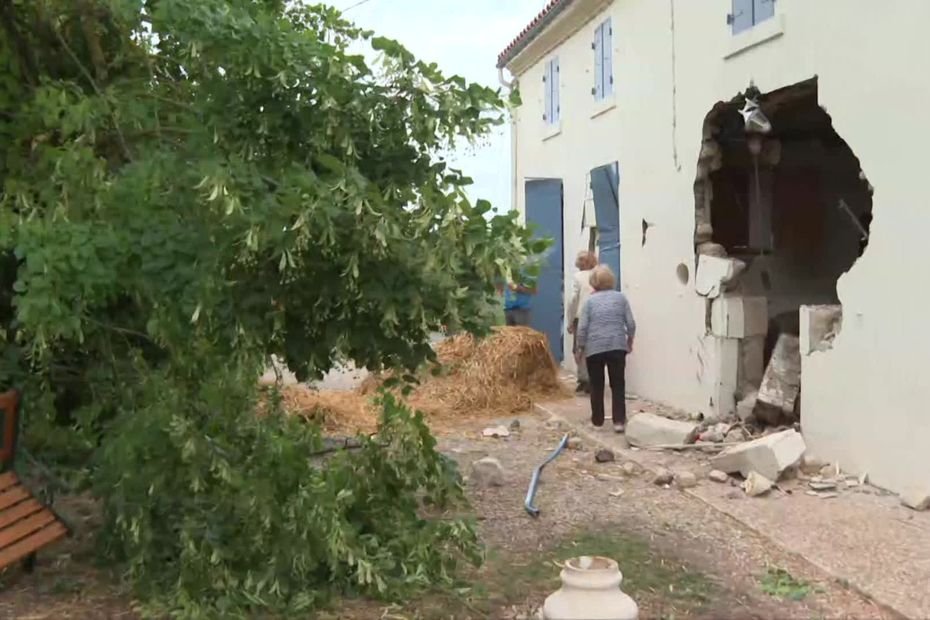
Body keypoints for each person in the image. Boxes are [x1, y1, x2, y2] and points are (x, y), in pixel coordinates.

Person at [575, 265, 636, 433]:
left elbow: (582, 328)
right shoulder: (621, 298)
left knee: (596, 384)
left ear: (593, 282)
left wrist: (580, 348)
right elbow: (630, 323)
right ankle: (619, 422)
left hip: (594, 348)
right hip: (617, 346)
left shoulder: (589, 302)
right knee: (618, 384)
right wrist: (629, 340)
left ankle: (597, 421)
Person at [566, 251, 598, 394]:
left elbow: (573, 300)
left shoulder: (578, 277)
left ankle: (583, 379)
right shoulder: (599, 274)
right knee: (594, 348)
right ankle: (593, 379)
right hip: (598, 316)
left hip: (582, 316)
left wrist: (570, 320)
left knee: (579, 348)